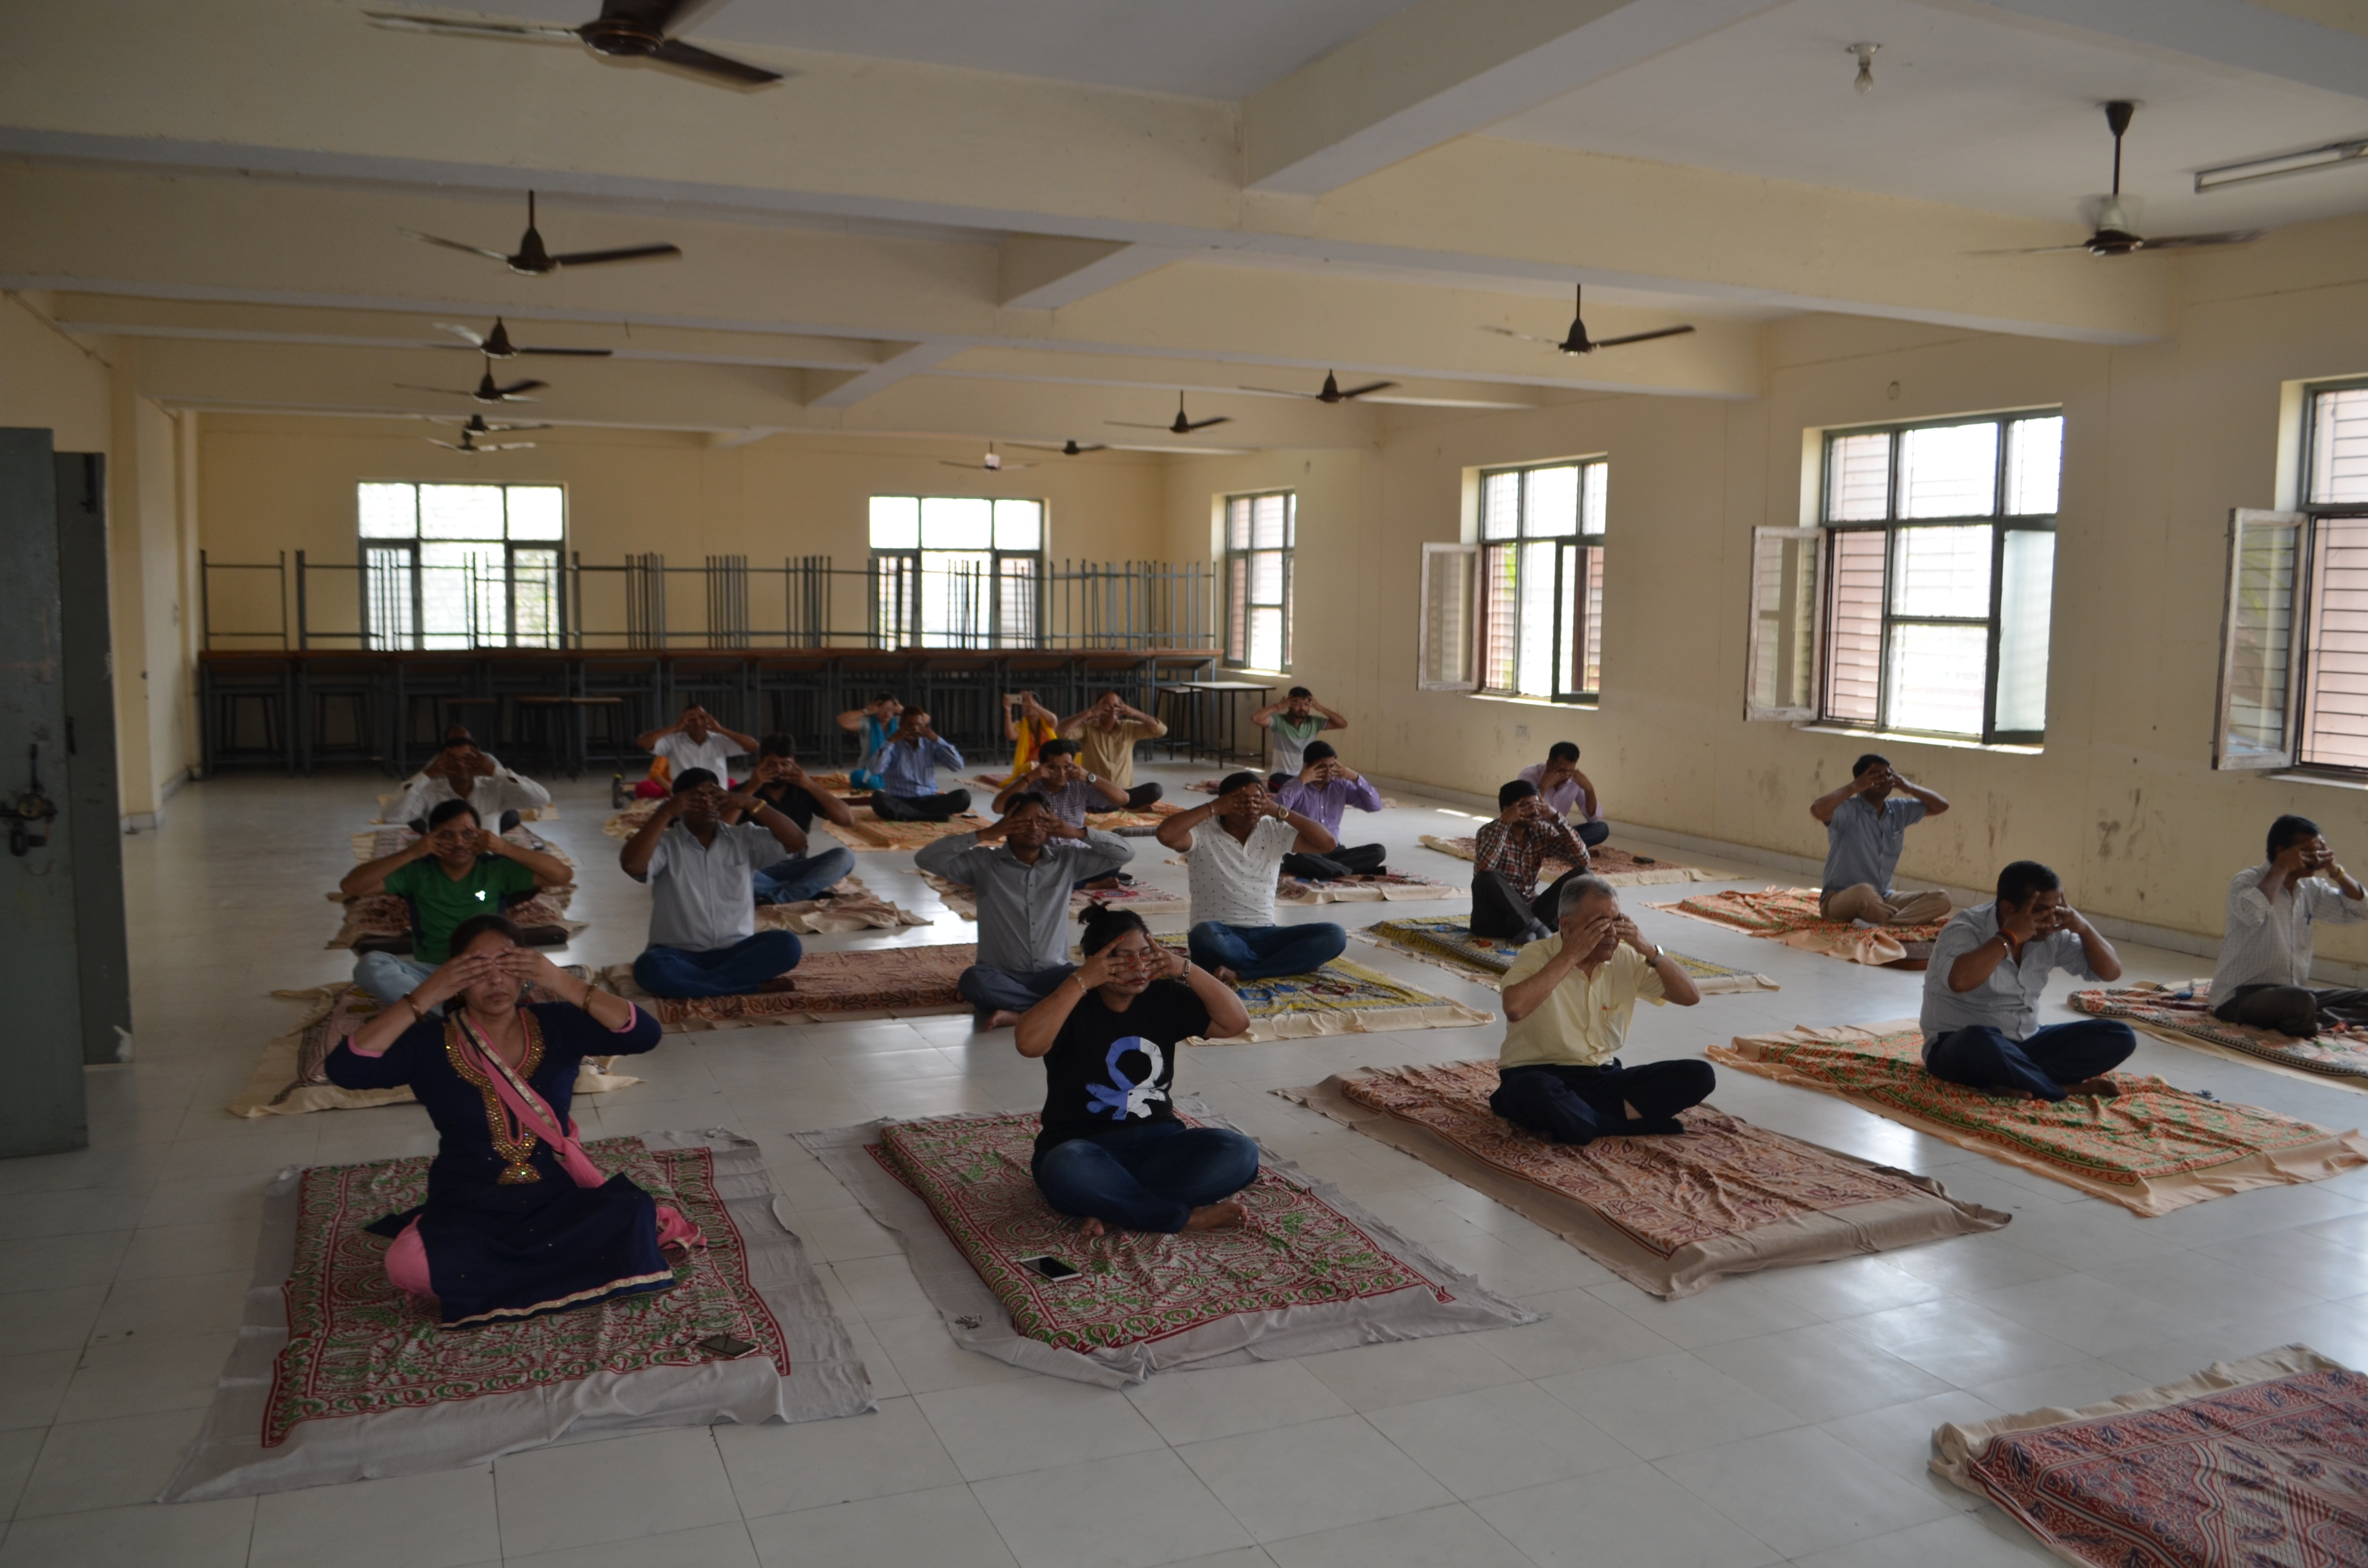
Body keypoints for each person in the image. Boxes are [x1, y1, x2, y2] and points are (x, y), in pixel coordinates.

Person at [324, 915, 684, 1325]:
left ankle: (487, 1280)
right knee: (406, 1264)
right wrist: (424, 995)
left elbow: (644, 1035)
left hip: (553, 1196)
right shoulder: (429, 1043)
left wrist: (559, 980)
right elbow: (346, 1070)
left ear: (526, 972)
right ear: (455, 978)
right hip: (469, 1202)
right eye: (478, 969)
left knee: (634, 1208)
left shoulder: (556, 1025)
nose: (495, 980)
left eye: (507, 965)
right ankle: (556, 1270)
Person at [1017, 905, 1257, 1235]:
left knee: (1239, 1152)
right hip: (1083, 1145)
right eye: (1123, 957)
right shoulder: (1070, 1000)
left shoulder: (1164, 997)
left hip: (1160, 1143)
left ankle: (1119, 1207)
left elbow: (1236, 1023)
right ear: (1096, 961)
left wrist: (1185, 968)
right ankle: (1179, 1218)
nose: (1139, 967)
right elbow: (1028, 1044)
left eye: (1146, 954)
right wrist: (1082, 979)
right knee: (1066, 1167)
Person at [1492, 875, 1711, 1144]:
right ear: (1567, 925)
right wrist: (1570, 956)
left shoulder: (1625, 957)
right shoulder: (1537, 954)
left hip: (1602, 1078)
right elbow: (1515, 1008)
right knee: (1533, 1091)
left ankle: (1588, 1121)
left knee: (1699, 1075)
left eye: (1616, 922)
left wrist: (1649, 950)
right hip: (1538, 1074)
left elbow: (1690, 997)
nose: (1612, 934)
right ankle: (1617, 1123)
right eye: (1599, 924)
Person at [915, 793, 1135, 1028]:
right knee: (974, 981)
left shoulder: (1067, 861)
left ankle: (1022, 1013)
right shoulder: (983, 864)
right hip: (1001, 975)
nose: (1033, 827)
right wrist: (985, 834)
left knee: (1102, 976)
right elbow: (926, 859)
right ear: (1007, 823)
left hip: (1055, 973)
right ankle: (1057, 1007)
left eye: (1041, 820)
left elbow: (1125, 854)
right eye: (1023, 820)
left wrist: (1076, 832)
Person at [1921, 860, 2135, 1100]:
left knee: (2119, 1035)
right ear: (2009, 909)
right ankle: (2062, 1089)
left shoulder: (2049, 931)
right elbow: (1960, 981)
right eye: (2041, 910)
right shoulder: (1966, 928)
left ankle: (2015, 1079)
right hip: (1960, 1047)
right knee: (1979, 1041)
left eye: (2057, 909)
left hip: (2026, 1042)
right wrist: (2010, 936)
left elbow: (2110, 972)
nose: (2051, 920)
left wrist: (2084, 928)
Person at [344, 798, 574, 1006]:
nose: (459, 843)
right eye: (446, 835)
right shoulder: (416, 872)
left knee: (536, 969)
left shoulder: (495, 868)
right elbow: (352, 887)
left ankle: (434, 1010)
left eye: (468, 834)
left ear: (480, 836)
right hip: (436, 975)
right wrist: (413, 853)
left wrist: (503, 847)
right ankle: (454, 1011)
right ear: (431, 839)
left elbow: (562, 876)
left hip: (492, 971)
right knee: (370, 966)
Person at [620, 769, 807, 998]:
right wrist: (666, 811)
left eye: (714, 795)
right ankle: (749, 987)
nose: (708, 804)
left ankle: (701, 985)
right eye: (698, 798)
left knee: (787, 945)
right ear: (681, 804)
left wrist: (750, 803)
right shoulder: (666, 844)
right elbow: (633, 865)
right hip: (679, 954)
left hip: (736, 951)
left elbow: (797, 842)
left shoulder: (743, 837)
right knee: (649, 968)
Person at [1157, 772, 1347, 983]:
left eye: (1258, 799)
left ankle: (1243, 972)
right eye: (1241, 800)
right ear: (1225, 802)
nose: (1251, 806)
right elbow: (1165, 834)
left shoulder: (1273, 830)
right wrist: (1213, 808)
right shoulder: (1202, 832)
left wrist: (1279, 811)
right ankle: (1282, 965)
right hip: (1221, 934)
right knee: (1203, 935)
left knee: (1335, 935)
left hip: (1266, 935)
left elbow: (1327, 843)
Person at [2210, 814, 2368, 1037]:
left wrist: (2336, 871)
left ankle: (2310, 1019)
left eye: (2320, 852)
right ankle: (2312, 1018)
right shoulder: (2247, 881)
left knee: (2317, 1000)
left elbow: (2363, 910)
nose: (2316, 860)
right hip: (2240, 997)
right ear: (2282, 851)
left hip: (2289, 993)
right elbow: (2253, 914)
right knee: (2300, 1001)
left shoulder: (2310, 888)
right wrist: (2282, 867)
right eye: (2308, 852)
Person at [1810, 755, 1952, 926]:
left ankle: (1884, 925)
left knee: (1942, 899)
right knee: (1864, 893)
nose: (1885, 780)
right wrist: (1853, 787)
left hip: (1883, 897)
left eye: (1888, 775)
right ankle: (1894, 921)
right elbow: (1817, 810)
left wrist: (1908, 787)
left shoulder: (1897, 810)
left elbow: (1942, 806)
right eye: (1877, 775)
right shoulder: (1850, 810)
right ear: (1861, 780)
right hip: (1841, 899)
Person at [728, 734, 859, 906]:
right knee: (729, 872)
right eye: (772, 764)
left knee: (845, 856)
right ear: (760, 763)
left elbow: (847, 820)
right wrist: (751, 788)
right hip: (756, 868)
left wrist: (810, 785)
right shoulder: (743, 791)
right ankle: (799, 891)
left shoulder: (803, 790)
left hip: (796, 865)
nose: (779, 770)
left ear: (793, 763)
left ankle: (779, 896)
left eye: (785, 764)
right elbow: (722, 826)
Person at [1471, 780, 1594, 943]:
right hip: (1495, 921)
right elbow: (1484, 868)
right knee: (1487, 876)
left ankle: (1529, 930)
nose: (1535, 811)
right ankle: (1537, 929)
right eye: (1527, 806)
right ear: (1508, 810)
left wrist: (1556, 817)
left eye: (1537, 805)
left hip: (1532, 912)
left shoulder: (1542, 831)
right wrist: (1504, 823)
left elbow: (1583, 860)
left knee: (1583, 874)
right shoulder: (1488, 831)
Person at [390, 734, 552, 838]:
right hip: (444, 862)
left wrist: (497, 772)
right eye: (453, 759)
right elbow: (392, 816)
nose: (461, 765)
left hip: (486, 862)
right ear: (441, 764)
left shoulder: (494, 788)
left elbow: (541, 799)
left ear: (479, 762)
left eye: (467, 758)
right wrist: (426, 775)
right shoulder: (430, 790)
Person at [1273, 741, 1387, 879]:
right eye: (1322, 767)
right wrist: (1301, 781)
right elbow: (1275, 813)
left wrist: (1355, 778)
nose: (1328, 772)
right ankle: (1346, 871)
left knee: (1378, 851)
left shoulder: (1341, 785)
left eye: (1332, 766)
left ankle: (1332, 870)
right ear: (1307, 766)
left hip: (1334, 851)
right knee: (1295, 858)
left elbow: (1375, 806)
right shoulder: (1296, 786)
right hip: (1307, 852)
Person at [1058, 690, 1167, 809]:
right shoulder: (1087, 729)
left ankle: (1116, 806)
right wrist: (1089, 713)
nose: (1113, 709)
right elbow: (1061, 732)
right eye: (1108, 706)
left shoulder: (1128, 727)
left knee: (1155, 790)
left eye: (1117, 706)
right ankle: (1121, 808)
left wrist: (1133, 712)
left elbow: (1161, 731)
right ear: (1098, 708)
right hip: (1096, 791)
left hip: (1123, 793)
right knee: (1083, 800)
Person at [992, 738, 1129, 828]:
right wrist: (1030, 778)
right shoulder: (1029, 783)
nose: (1062, 774)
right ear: (1042, 766)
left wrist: (1089, 776)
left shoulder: (1079, 784)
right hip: (1039, 850)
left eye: (1067, 767)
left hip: (1073, 849)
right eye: (1054, 768)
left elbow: (1123, 799)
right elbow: (998, 808)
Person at [867, 708, 973, 822]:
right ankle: (928, 816)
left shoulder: (930, 743)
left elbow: (958, 766)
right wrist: (891, 741)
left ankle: (913, 815)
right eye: (910, 725)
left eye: (919, 725)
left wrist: (937, 739)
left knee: (963, 796)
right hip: (901, 800)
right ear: (901, 726)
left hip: (929, 800)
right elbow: (875, 770)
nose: (915, 729)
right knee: (878, 799)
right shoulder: (892, 745)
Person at [634, 705, 757, 801]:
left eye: (702, 718)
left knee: (735, 786)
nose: (698, 722)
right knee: (644, 787)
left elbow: (753, 746)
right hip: (686, 798)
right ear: (683, 722)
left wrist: (720, 730)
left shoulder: (719, 739)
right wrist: (676, 728)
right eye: (691, 719)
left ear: (709, 720)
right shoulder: (673, 741)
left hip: (716, 797)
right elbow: (642, 742)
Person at [1518, 742, 1611, 849]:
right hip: (1533, 831)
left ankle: (1555, 849)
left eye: (1570, 771)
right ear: (1549, 764)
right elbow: (1525, 814)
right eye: (1562, 771)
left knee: (1601, 828)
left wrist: (1589, 789)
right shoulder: (1529, 775)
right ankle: (1568, 850)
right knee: (1522, 834)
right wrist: (1543, 787)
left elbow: (1592, 819)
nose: (1566, 776)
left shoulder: (1574, 780)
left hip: (1557, 833)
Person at [1251, 686, 1344, 781]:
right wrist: (1279, 706)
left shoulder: (1314, 723)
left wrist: (1321, 708)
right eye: (1297, 704)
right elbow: (1256, 718)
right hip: (1281, 775)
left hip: (1306, 775)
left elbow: (1342, 724)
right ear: (1289, 705)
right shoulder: (1279, 721)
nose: (1302, 708)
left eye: (1306, 704)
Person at [836, 693, 904, 792]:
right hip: (869, 771)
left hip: (893, 771)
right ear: (876, 709)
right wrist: (866, 711)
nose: (887, 713)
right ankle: (883, 784)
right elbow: (842, 721)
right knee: (857, 776)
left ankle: (880, 783)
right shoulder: (867, 724)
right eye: (883, 709)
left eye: (890, 709)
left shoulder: (899, 723)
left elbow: (924, 720)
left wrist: (902, 710)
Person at [994, 690, 1062, 788]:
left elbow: (1054, 720)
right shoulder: (1022, 726)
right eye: (1025, 704)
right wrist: (1008, 711)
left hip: (1051, 762)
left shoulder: (1047, 723)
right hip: (1031, 767)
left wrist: (1033, 706)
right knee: (1031, 767)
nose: (1028, 706)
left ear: (1040, 707)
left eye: (1032, 703)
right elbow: (1010, 735)